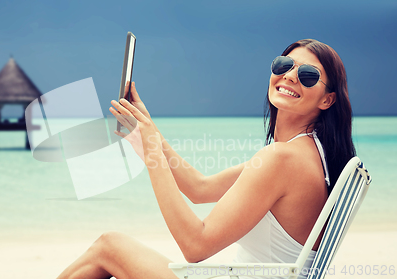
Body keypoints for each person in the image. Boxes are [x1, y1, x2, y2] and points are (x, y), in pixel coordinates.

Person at [56, 39, 356, 279]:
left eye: (308, 75)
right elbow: (200, 188)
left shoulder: (283, 158)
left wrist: (152, 155)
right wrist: (152, 135)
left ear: (327, 99)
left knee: (110, 247)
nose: (290, 75)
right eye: (285, 64)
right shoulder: (305, 153)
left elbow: (195, 246)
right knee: (110, 247)